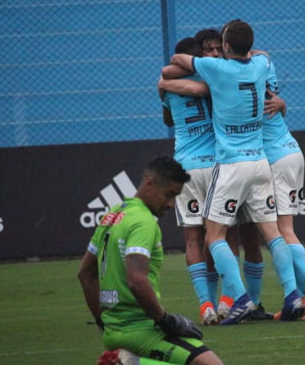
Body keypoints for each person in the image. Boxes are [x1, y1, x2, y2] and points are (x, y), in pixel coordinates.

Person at [169, 19, 304, 324]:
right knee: (272, 234)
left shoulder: (217, 68)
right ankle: (292, 294)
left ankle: (240, 300)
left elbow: (177, 60)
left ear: (226, 46)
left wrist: (168, 83)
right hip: (260, 162)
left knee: (213, 235)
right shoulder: (259, 65)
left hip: (231, 165)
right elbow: (262, 55)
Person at [78, 156, 224, 365]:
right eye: (169, 195)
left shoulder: (113, 214)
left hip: (112, 333)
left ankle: (130, 361)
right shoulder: (143, 221)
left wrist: (103, 322)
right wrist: (165, 320)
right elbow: (136, 280)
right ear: (149, 184)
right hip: (143, 330)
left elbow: (85, 274)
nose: (171, 204)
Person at [260, 62, 305, 320]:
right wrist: (282, 105)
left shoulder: (236, 72)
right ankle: (302, 299)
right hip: (290, 150)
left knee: (281, 231)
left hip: (275, 158)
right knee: (284, 230)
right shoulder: (263, 63)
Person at [159, 37, 219, 325]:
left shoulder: (167, 86)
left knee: (192, 238)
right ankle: (222, 301)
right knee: (218, 236)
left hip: (186, 167)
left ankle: (205, 304)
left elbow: (168, 120)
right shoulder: (214, 79)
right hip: (216, 164)